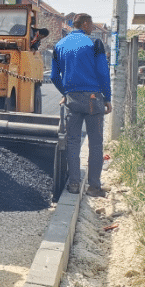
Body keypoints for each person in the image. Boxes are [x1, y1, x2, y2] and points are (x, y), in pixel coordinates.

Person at [50, 13, 112, 197]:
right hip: (93, 98)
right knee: (95, 143)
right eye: (91, 24)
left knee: (73, 141)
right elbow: (103, 73)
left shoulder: (59, 45)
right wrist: (107, 97)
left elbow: (54, 76)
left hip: (73, 99)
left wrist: (65, 93)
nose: (92, 27)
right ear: (85, 24)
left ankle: (74, 184)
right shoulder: (94, 43)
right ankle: (93, 187)